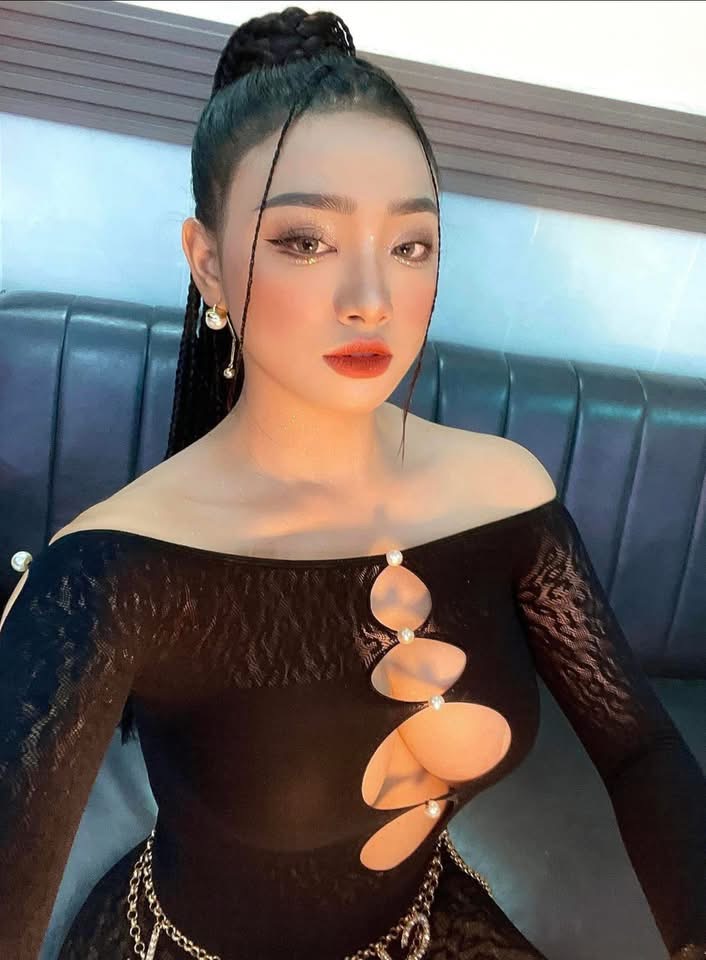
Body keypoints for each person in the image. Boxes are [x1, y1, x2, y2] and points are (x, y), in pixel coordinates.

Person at [1, 6, 704, 959]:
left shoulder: (507, 492)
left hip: (427, 928)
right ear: (208, 266)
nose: (372, 299)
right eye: (304, 240)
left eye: (410, 245)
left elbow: (641, 747)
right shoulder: (111, 572)